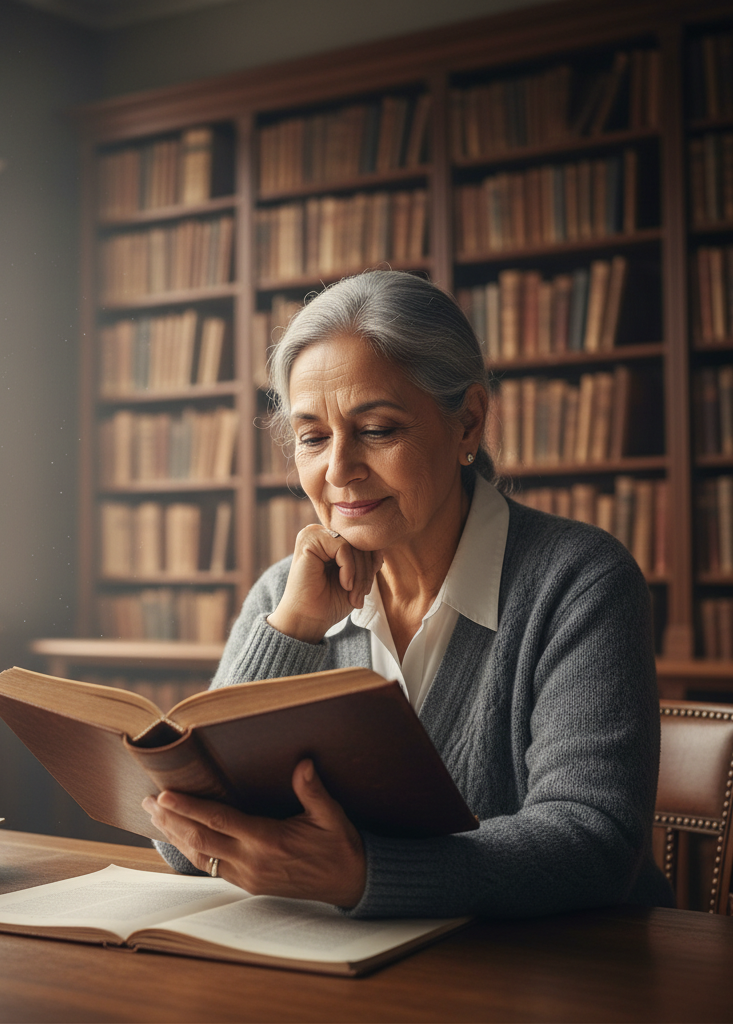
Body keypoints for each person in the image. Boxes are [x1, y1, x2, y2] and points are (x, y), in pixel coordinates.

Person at [143, 269, 675, 918]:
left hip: (554, 980)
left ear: (468, 424)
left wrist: (365, 875)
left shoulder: (579, 582)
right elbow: (186, 836)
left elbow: (597, 845)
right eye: (312, 437)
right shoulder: (284, 594)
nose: (338, 470)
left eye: (378, 430)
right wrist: (292, 633)